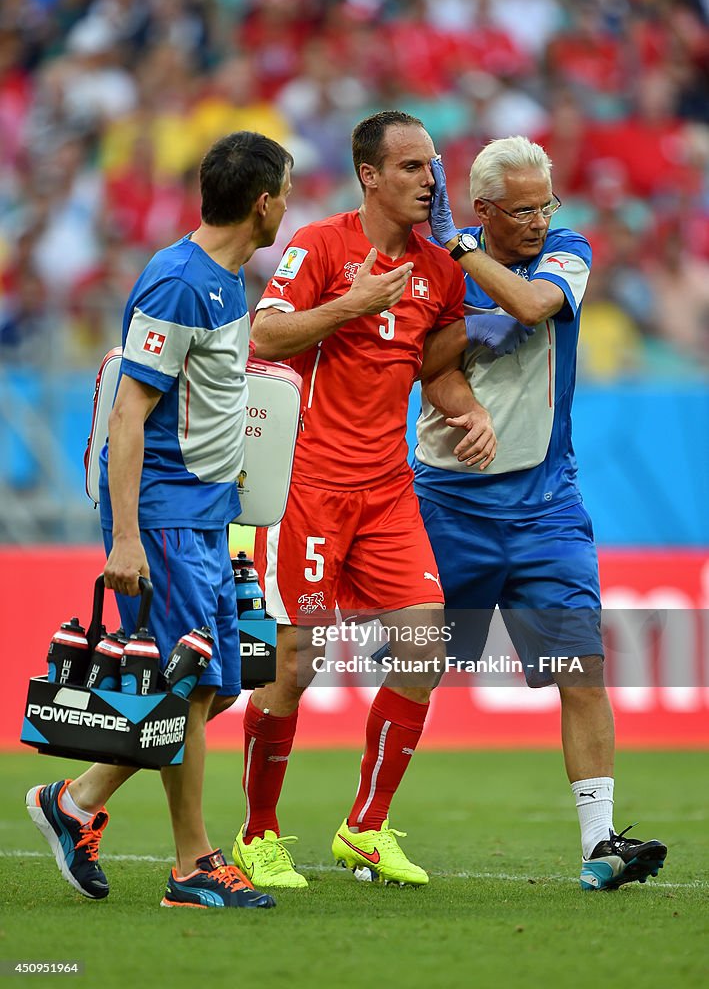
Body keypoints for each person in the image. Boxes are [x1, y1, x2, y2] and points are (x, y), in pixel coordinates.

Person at [231, 110, 532, 890]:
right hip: (307, 486)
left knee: (425, 649)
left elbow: (436, 371)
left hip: (388, 489)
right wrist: (351, 306)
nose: (428, 180)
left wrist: (468, 412)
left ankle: (363, 828)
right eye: (409, 167)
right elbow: (263, 339)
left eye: (430, 166)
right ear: (369, 175)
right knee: (292, 665)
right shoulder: (322, 246)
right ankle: (255, 835)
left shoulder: (440, 269)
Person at [26, 130, 295, 910]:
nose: (286, 204)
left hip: (206, 515)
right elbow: (128, 413)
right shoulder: (178, 282)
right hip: (167, 518)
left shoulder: (225, 279)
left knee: (211, 686)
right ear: (262, 202)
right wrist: (128, 537)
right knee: (184, 684)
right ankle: (192, 865)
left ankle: (71, 803)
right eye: (284, 192)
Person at [415, 135, 668, 891]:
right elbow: (423, 370)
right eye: (520, 209)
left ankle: (599, 846)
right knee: (415, 669)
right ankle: (364, 826)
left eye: (543, 204)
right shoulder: (435, 274)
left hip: (545, 509)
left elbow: (530, 304)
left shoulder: (565, 250)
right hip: (449, 503)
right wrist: (461, 329)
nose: (536, 220)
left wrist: (458, 250)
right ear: (486, 207)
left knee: (580, 671)